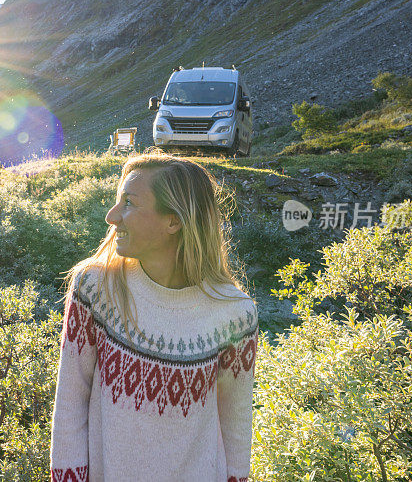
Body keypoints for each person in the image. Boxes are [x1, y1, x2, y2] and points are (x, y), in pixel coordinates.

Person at [50, 153, 258, 482]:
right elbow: (70, 406)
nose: (112, 215)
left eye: (129, 203)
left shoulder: (236, 314)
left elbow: (235, 423)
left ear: (173, 222)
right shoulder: (94, 288)